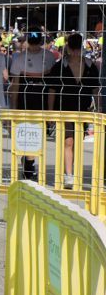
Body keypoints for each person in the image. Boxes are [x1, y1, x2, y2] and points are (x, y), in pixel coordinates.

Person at [46, 33, 101, 188]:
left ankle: (71, 171)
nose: (76, 52)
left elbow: (95, 89)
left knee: (77, 141)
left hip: (83, 110)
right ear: (68, 48)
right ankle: (68, 174)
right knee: (68, 141)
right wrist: (50, 112)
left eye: (78, 48)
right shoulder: (59, 66)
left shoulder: (91, 66)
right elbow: (52, 90)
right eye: (74, 48)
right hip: (64, 108)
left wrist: (99, 108)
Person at [8, 27, 55, 180]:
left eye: (36, 43)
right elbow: (15, 84)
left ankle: (29, 162)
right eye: (32, 43)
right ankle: (29, 164)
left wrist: (50, 109)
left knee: (37, 133)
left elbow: (53, 85)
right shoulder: (19, 58)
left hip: (42, 100)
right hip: (24, 100)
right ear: (28, 41)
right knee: (26, 133)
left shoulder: (49, 56)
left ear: (40, 41)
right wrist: (13, 106)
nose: (34, 47)